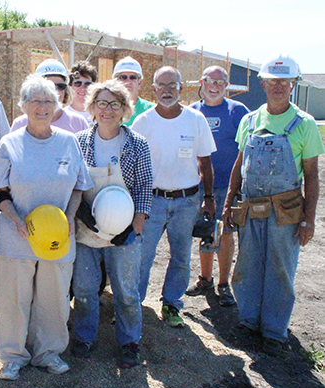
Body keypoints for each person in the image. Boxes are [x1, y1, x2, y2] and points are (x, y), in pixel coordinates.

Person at [0, 75, 93, 381]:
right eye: (35, 101)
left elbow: (79, 186)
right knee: (13, 298)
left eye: (48, 101)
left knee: (54, 298)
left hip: (57, 239)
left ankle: (48, 353)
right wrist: (17, 221)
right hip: (16, 236)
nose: (42, 107)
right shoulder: (10, 143)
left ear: (57, 104)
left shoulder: (68, 142)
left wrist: (69, 218)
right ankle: (12, 357)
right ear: (23, 106)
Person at [223, 54, 323, 356]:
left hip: (286, 211)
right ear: (263, 84)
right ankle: (248, 321)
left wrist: (308, 219)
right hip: (251, 208)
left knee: (280, 269)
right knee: (248, 265)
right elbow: (239, 164)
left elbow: (312, 175)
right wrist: (229, 201)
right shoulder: (250, 121)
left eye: (284, 81)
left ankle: (275, 332)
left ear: (292, 85)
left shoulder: (304, 124)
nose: (278, 86)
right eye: (272, 81)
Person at [72, 81, 152, 368]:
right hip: (86, 230)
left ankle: (129, 341)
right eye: (102, 103)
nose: (107, 110)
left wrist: (135, 226)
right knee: (84, 288)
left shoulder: (137, 144)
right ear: (92, 108)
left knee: (126, 292)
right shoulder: (79, 142)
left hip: (125, 231)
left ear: (125, 110)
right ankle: (84, 336)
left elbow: (144, 187)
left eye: (115, 104)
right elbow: (72, 185)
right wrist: (82, 215)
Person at [133, 66, 216, 328]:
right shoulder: (143, 122)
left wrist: (210, 198)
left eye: (172, 85)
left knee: (181, 256)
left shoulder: (196, 120)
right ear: (153, 89)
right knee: (143, 256)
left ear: (182, 88)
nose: (167, 91)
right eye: (161, 85)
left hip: (187, 200)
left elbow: (205, 161)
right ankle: (132, 306)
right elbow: (132, 164)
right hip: (152, 201)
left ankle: (171, 304)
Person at [185, 66, 249, 307]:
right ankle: (205, 279)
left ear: (226, 86)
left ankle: (224, 284)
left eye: (220, 82)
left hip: (227, 185)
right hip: (199, 186)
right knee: (204, 232)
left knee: (225, 234)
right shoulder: (191, 111)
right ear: (202, 82)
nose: (214, 85)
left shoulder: (237, 111)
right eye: (210, 80)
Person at [10, 59, 88, 133]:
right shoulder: (20, 124)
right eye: (50, 87)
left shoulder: (79, 123)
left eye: (60, 86)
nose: (55, 92)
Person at [112, 56, 155, 126]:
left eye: (133, 77)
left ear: (140, 83)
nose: (128, 81)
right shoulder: (107, 110)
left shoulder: (152, 110)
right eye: (123, 77)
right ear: (115, 82)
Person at [67, 60, 98, 125]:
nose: (83, 88)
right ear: (70, 85)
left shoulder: (100, 115)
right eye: (78, 83)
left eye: (87, 84)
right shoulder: (62, 115)